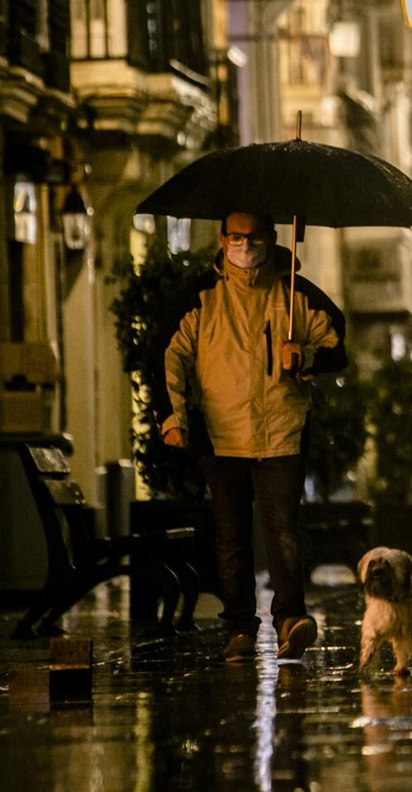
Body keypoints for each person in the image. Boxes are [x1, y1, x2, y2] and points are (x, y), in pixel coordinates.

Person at [158, 211, 346, 663]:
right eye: (236, 237)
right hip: (221, 434)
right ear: (222, 239)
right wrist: (172, 419)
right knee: (231, 536)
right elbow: (170, 356)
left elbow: (336, 347)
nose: (245, 246)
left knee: (284, 532)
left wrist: (305, 357)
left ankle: (290, 619)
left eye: (254, 237)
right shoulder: (201, 297)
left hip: (280, 430)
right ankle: (239, 627)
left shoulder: (296, 293)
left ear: (272, 238)